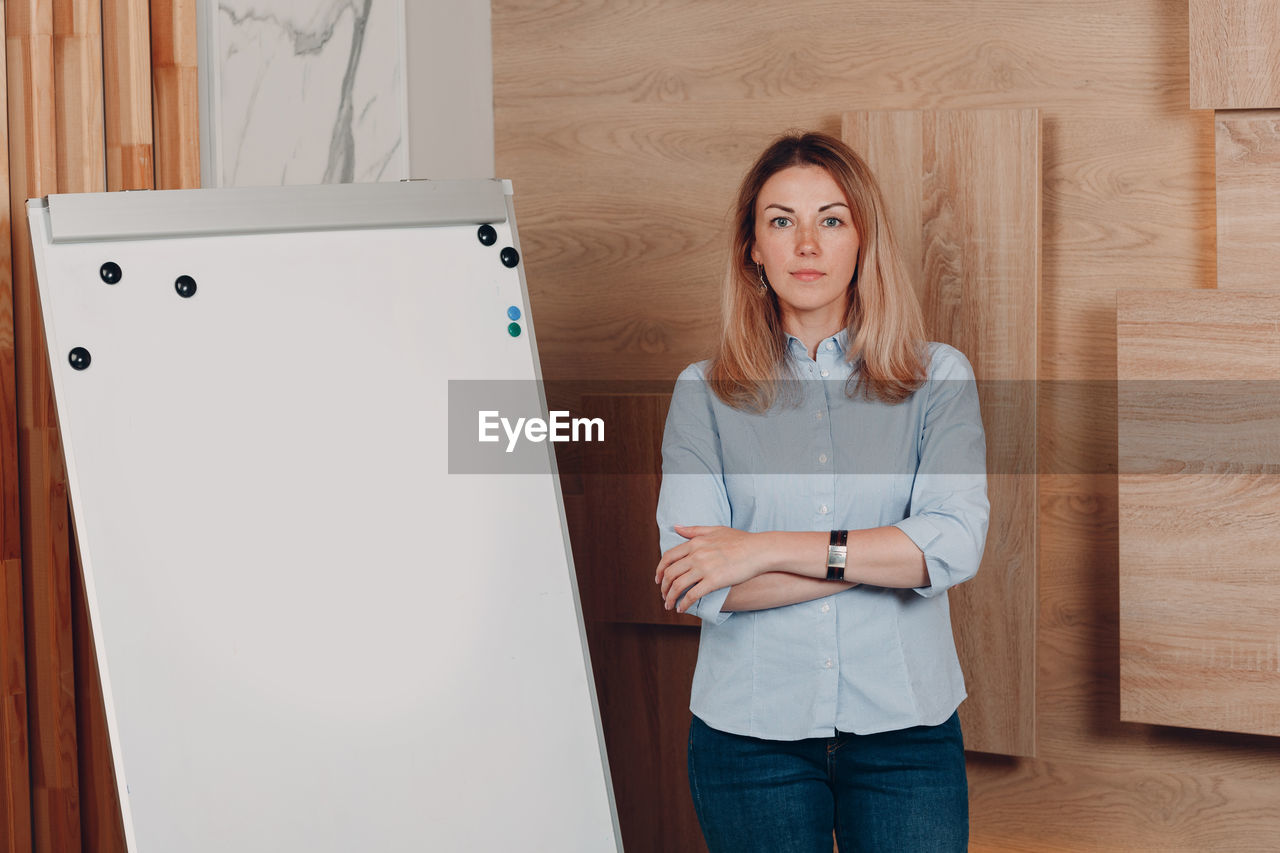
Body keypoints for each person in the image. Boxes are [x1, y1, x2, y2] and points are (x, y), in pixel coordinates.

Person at [654, 131, 989, 853]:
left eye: (830, 219)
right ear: (753, 245)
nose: (807, 243)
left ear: (862, 237)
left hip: (908, 736)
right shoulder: (701, 394)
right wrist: (885, 558)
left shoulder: (938, 377)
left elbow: (955, 545)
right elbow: (699, 582)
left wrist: (760, 550)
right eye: (782, 221)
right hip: (749, 741)